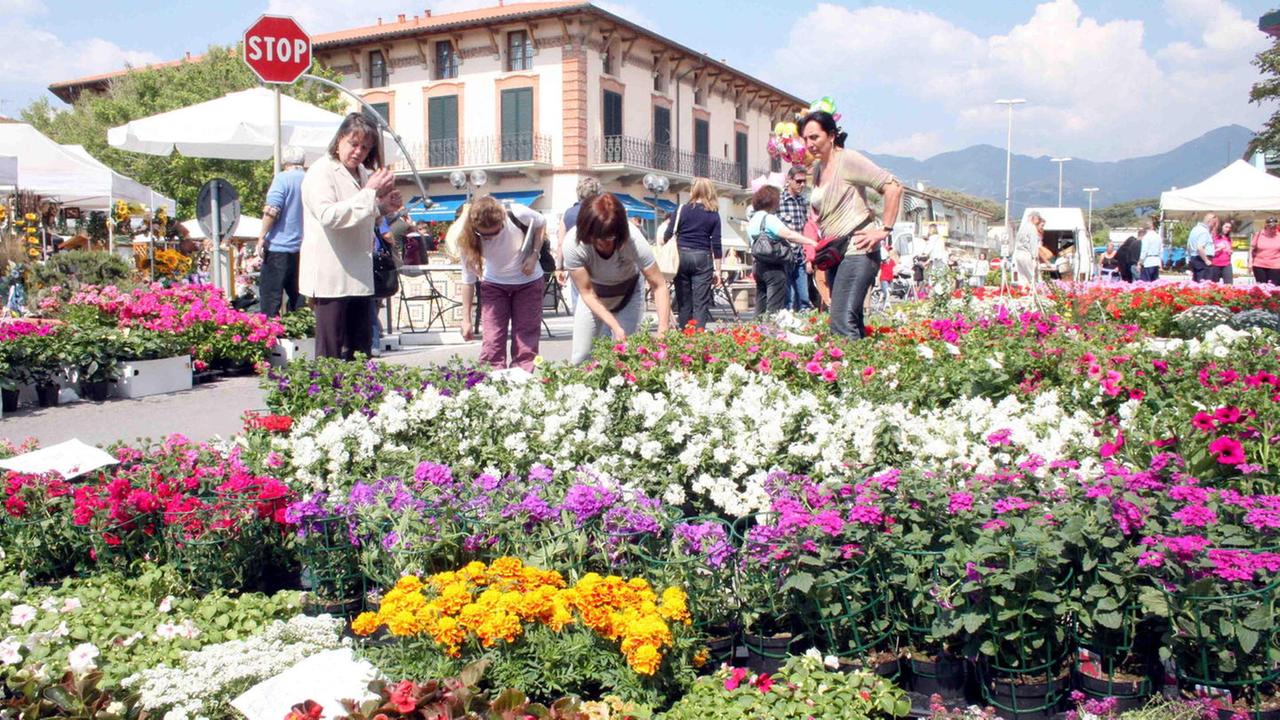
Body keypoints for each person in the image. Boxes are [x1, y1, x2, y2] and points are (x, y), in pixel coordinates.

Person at [300, 112, 401, 359]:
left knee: (360, 351)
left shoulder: (363, 174)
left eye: (365, 148)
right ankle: (325, 397)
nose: (358, 152)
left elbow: (363, 215)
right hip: (331, 276)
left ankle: (360, 395)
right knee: (331, 352)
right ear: (339, 140)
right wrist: (369, 194)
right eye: (353, 144)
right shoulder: (320, 171)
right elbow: (328, 215)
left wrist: (383, 207)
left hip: (359, 275)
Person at [801, 110, 902, 339]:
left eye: (815, 137)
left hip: (859, 249)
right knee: (851, 318)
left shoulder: (847, 160)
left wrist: (883, 230)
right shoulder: (818, 168)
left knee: (841, 320)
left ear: (831, 135)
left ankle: (847, 371)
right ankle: (866, 368)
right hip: (836, 253)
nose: (809, 144)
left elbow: (893, 187)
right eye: (806, 139)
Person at [564, 193, 671, 364]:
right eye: (598, 238)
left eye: (610, 238)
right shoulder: (572, 244)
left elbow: (659, 285)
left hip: (628, 293)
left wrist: (663, 331)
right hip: (594, 295)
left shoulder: (634, 239)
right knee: (581, 357)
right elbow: (587, 293)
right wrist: (614, 326)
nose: (605, 244)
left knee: (625, 356)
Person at [458, 195, 546, 371]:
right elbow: (467, 281)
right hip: (493, 285)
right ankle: (493, 383)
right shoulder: (465, 238)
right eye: (484, 234)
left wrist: (534, 254)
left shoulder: (517, 212)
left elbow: (541, 224)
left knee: (525, 339)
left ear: (503, 219)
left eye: (495, 232)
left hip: (528, 282)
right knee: (492, 340)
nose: (490, 238)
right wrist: (465, 320)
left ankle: (522, 381)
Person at [662, 177, 723, 329]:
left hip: (682, 256)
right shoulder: (713, 214)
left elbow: (667, 235)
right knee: (701, 303)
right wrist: (719, 271)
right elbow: (716, 244)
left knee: (684, 302)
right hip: (703, 257)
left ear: (693, 191)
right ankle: (698, 340)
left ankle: (684, 339)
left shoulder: (681, 209)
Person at [746, 185, 817, 316]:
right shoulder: (769, 219)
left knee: (760, 304)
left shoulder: (752, 220)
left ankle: (756, 331)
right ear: (772, 201)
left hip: (758, 266)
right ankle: (771, 332)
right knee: (775, 307)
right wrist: (811, 242)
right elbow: (789, 234)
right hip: (774, 267)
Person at [257, 146, 307, 316]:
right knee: (300, 297)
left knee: (271, 297)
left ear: (284, 161)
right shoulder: (310, 180)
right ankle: (302, 335)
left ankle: (272, 336)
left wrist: (262, 236)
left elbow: (272, 210)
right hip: (304, 248)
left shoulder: (282, 179)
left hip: (279, 247)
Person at [556, 177, 603, 311]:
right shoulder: (601, 211)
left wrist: (559, 267)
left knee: (580, 300)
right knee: (601, 302)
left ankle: (582, 330)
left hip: (576, 262)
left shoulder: (568, 214)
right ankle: (603, 331)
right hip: (599, 262)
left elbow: (561, 243)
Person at [777, 166, 812, 311]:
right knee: (788, 298)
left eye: (804, 181)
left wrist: (809, 256)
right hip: (784, 255)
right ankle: (787, 328)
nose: (802, 185)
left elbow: (806, 229)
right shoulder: (779, 200)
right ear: (789, 180)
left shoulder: (803, 202)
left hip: (800, 256)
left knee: (804, 297)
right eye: (798, 181)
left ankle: (805, 327)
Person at [1186, 213, 1217, 282]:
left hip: (1194, 258)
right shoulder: (1204, 231)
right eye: (1214, 223)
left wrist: (1189, 259)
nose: (1214, 226)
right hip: (1202, 260)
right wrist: (1206, 260)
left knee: (1196, 281)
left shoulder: (1195, 229)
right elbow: (1200, 247)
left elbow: (1188, 246)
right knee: (1204, 283)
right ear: (1210, 221)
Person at [1249, 217, 1280, 285]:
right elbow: (1252, 248)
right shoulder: (1259, 234)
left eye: (1274, 227)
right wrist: (1250, 263)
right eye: (1270, 227)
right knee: (1262, 288)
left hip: (1275, 266)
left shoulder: (1278, 236)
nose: (1273, 229)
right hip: (1259, 265)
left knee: (1274, 288)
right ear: (1266, 226)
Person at [1212, 220, 1234, 284]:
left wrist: (1230, 251)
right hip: (1215, 264)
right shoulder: (1214, 237)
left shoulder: (1229, 239)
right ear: (1221, 227)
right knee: (1214, 285)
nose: (1228, 229)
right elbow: (1208, 252)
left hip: (1227, 264)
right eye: (1226, 227)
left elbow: (1229, 250)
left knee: (1229, 284)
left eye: (1229, 228)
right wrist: (1218, 249)